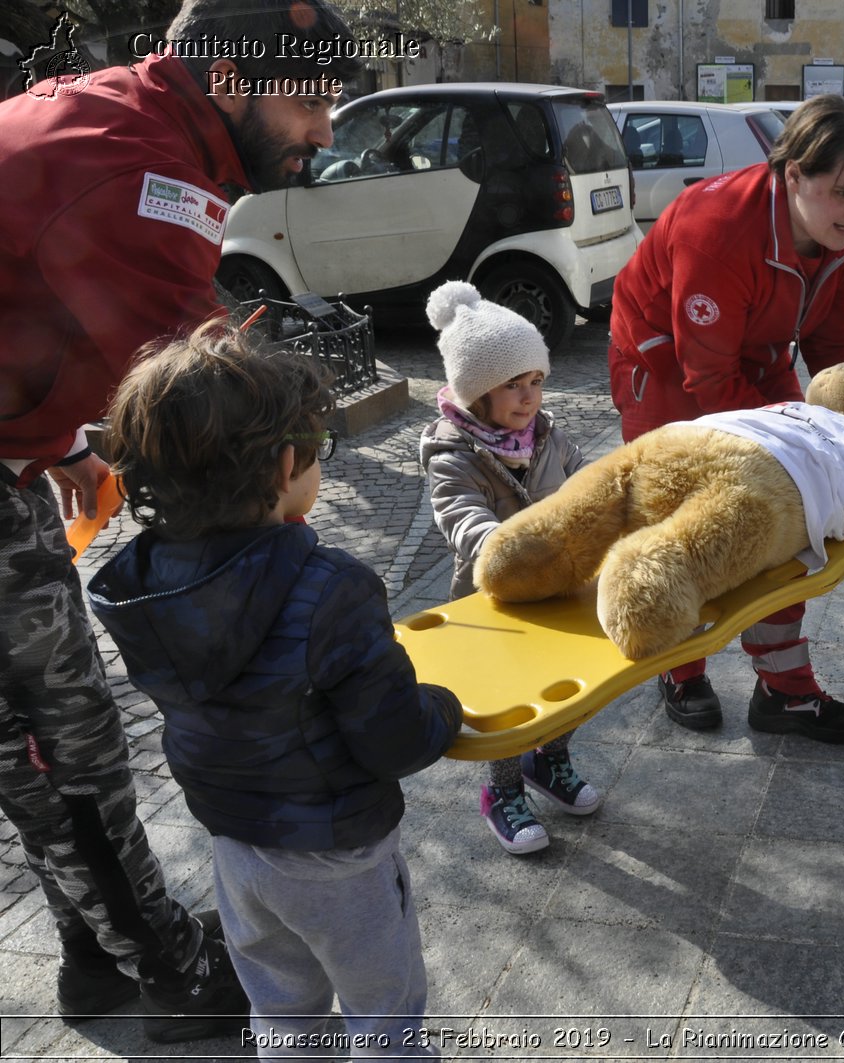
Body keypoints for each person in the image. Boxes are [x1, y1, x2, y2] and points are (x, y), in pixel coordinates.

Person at [0, 0, 360, 1039]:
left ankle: (99, 953)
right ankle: (166, 969)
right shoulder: (140, 174)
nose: (327, 131)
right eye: (313, 99)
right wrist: (290, 524)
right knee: (57, 740)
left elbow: (47, 288)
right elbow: (210, 403)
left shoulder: (139, 124)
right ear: (235, 78)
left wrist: (59, 439)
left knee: (47, 722)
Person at [86, 320, 464, 1056]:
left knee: (283, 1011)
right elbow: (393, 736)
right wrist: (444, 710)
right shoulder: (334, 589)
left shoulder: (140, 585)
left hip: (236, 847)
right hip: (338, 857)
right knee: (384, 1013)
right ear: (287, 462)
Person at [607, 93, 844, 743]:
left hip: (752, 355)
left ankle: (784, 692)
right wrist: (806, 446)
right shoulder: (719, 226)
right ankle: (679, 667)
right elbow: (707, 381)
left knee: (787, 512)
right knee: (682, 515)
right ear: (793, 174)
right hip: (663, 359)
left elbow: (835, 349)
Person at [419, 282, 602, 855]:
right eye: (512, 385)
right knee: (508, 704)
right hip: (490, 598)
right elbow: (464, 522)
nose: (528, 397)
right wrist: (519, 551)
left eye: (536, 381)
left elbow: (588, 490)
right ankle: (501, 790)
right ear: (476, 392)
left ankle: (550, 759)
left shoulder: (547, 437)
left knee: (578, 686)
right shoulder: (453, 457)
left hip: (558, 590)